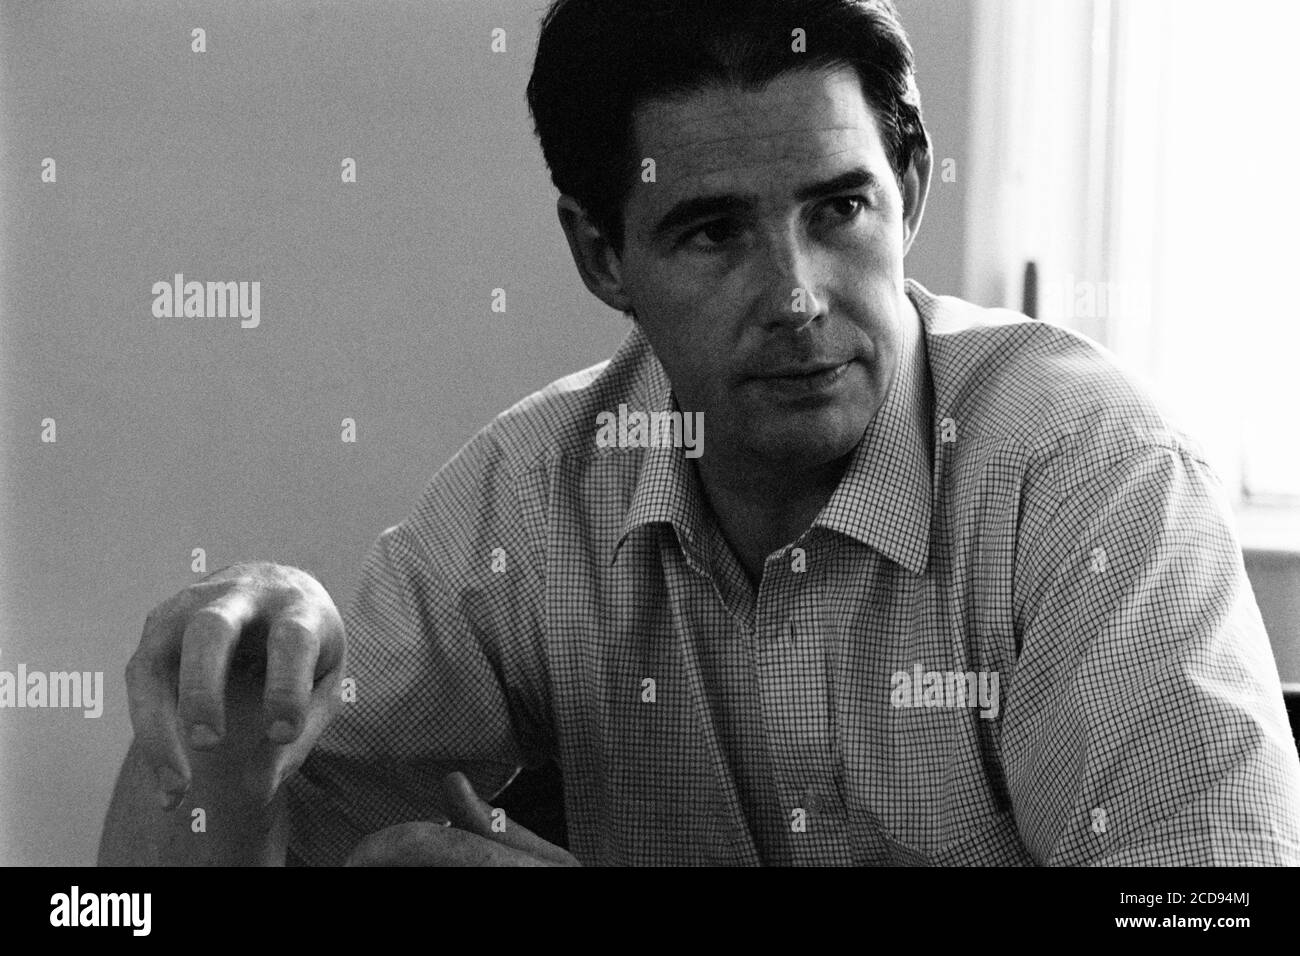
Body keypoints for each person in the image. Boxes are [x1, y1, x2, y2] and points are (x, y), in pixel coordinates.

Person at [99, 0, 1300, 866]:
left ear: (913, 187)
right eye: (712, 233)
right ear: (599, 254)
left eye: (839, 209)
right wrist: (218, 725)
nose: (794, 296)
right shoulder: (532, 496)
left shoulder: (1087, 477)